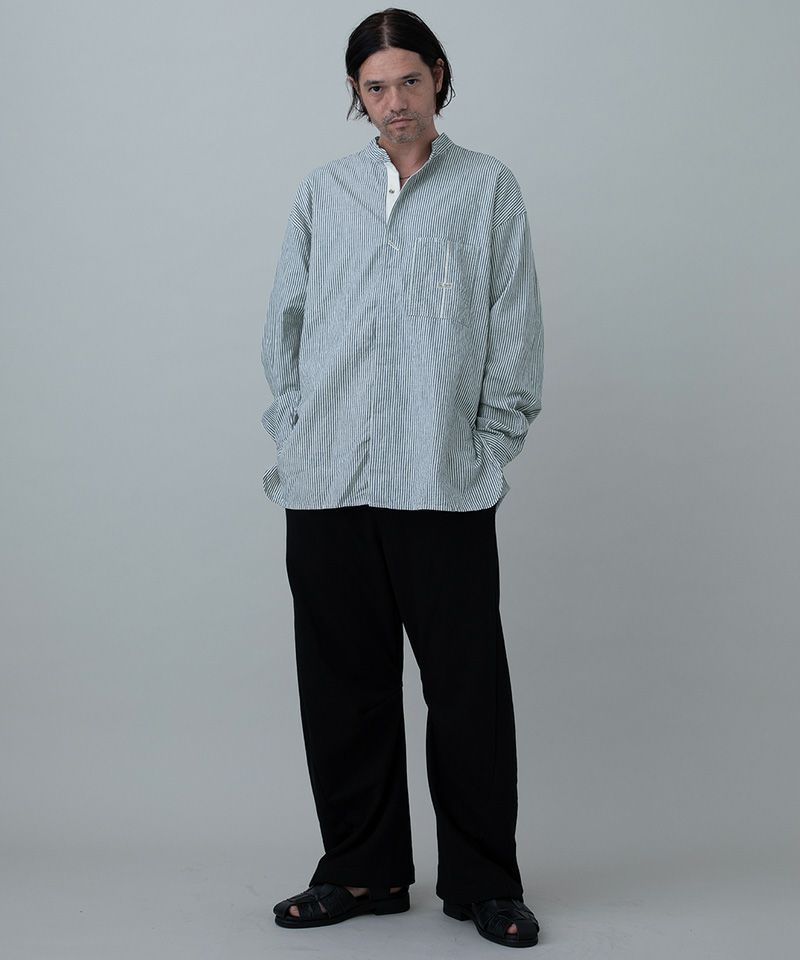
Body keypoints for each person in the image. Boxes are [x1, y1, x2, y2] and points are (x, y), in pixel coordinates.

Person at [262, 8, 543, 949]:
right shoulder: (323, 193)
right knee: (343, 688)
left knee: (467, 690)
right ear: (357, 94)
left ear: (438, 77)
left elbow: (514, 322)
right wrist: (296, 429)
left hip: (440, 478)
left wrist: (487, 445)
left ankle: (484, 882)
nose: (394, 102)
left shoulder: (488, 189)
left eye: (409, 81)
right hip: (329, 479)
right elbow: (286, 323)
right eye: (375, 87)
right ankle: (362, 870)